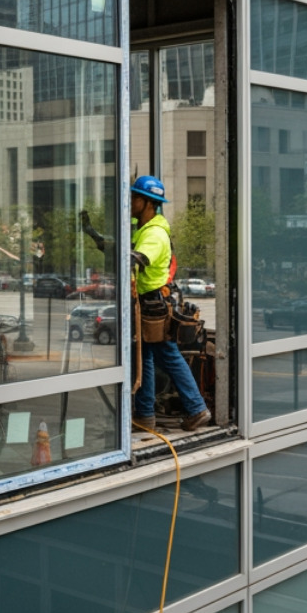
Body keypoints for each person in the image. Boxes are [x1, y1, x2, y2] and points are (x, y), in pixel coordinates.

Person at [82, 176, 210, 432]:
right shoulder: (142, 226)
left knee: (167, 356)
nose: (130, 202)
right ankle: (145, 414)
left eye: (134, 198)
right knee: (146, 357)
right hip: (148, 303)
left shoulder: (154, 233)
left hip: (153, 305)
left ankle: (196, 409)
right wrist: (94, 234)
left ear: (148, 203)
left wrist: (122, 253)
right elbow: (121, 245)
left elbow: (137, 257)